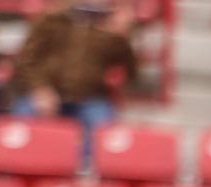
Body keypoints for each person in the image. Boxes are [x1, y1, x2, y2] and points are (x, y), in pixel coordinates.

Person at [9, 0, 139, 154]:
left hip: (90, 98)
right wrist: (40, 89)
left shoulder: (110, 29)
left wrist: (123, 37)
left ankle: (85, 173)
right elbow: (26, 60)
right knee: (23, 118)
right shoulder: (51, 20)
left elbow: (131, 73)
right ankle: (25, 169)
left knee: (103, 128)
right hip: (46, 94)